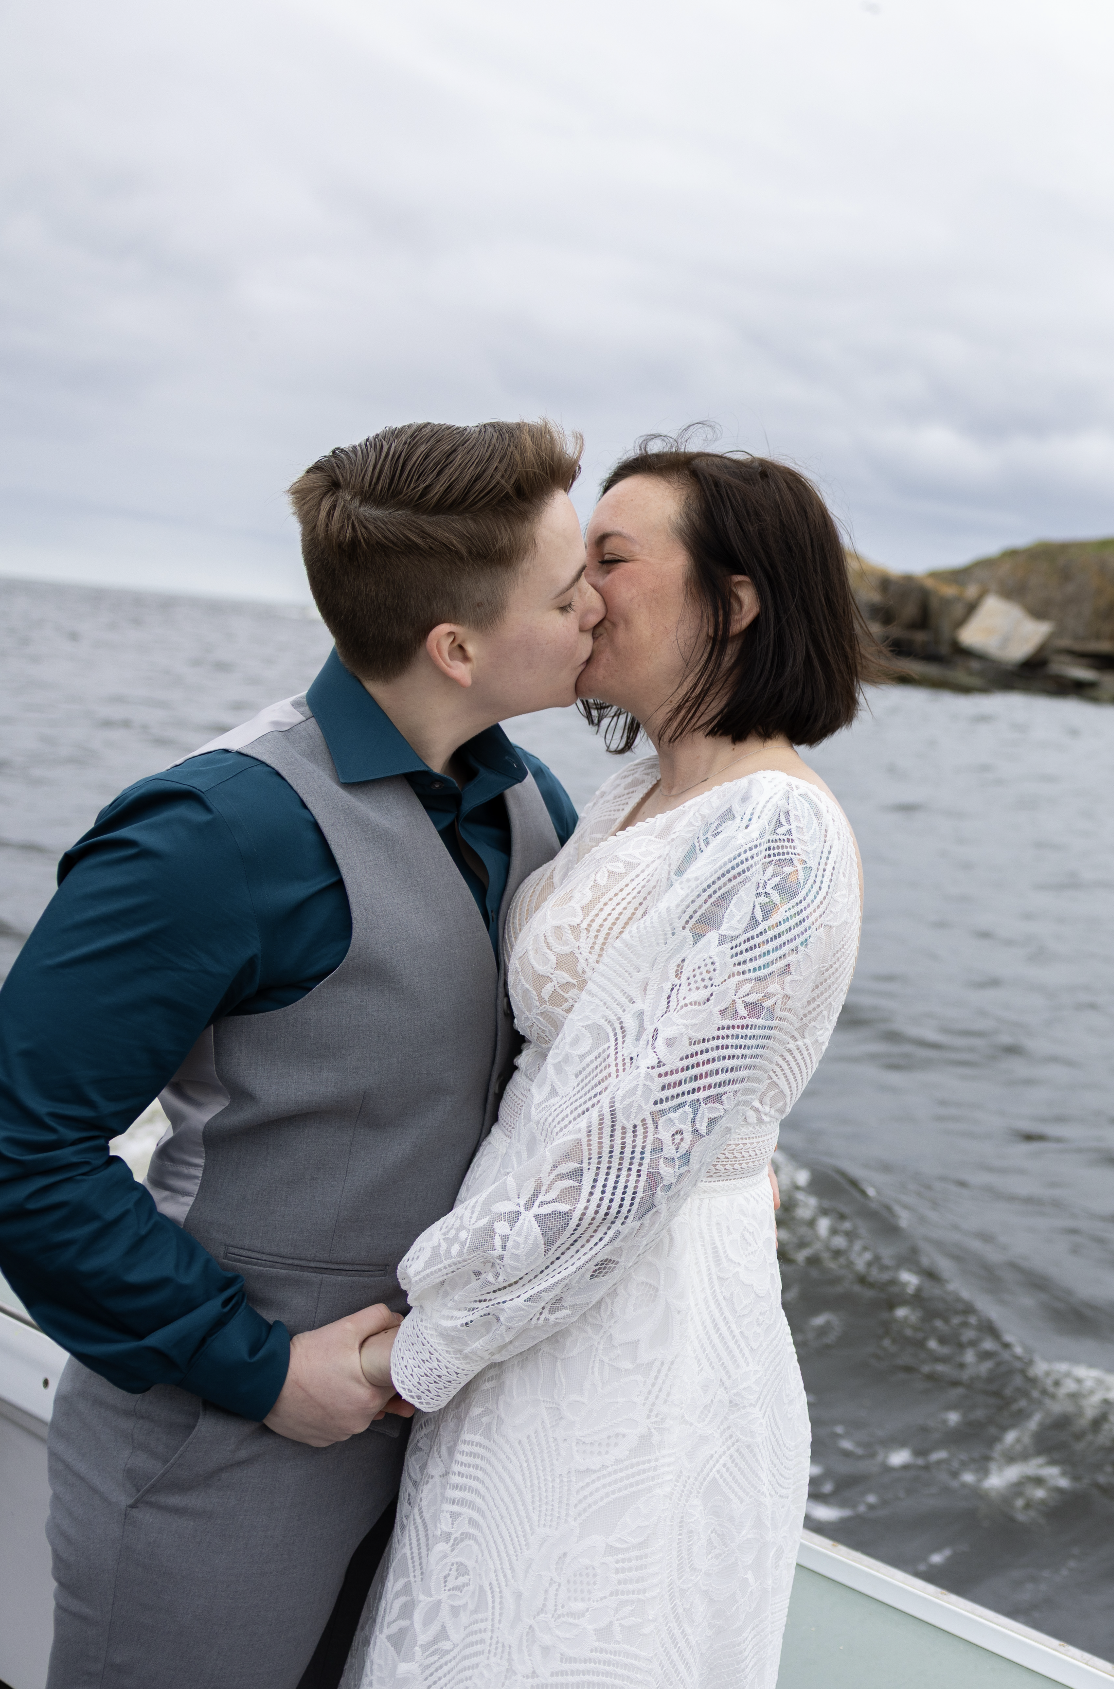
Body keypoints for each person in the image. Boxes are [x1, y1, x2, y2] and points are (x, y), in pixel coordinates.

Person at [0, 420, 605, 1687]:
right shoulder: (210, 830)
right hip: (213, 1463)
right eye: (567, 590)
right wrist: (260, 1367)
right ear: (456, 646)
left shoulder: (535, 804)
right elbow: (21, 1150)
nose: (598, 603)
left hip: (443, 1468)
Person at [341, 440, 875, 1687]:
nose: (580, 588)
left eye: (613, 558)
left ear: (734, 603)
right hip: (534, 1300)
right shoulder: (635, 789)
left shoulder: (777, 830)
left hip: (628, 1319)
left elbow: (622, 1164)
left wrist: (416, 1346)